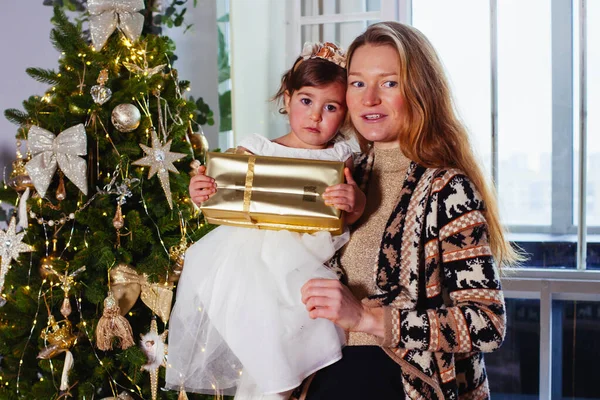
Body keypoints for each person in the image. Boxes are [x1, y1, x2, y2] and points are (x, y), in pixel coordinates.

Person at [295, 22, 521, 399]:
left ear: (419, 91)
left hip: (403, 386)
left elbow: (487, 323)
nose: (369, 99)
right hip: (323, 376)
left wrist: (367, 319)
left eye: (389, 83)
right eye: (357, 82)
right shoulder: (343, 175)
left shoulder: (447, 188)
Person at [166, 42, 366, 400]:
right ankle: (275, 384)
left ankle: (278, 386)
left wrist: (353, 201)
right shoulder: (258, 148)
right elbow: (220, 188)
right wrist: (202, 189)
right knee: (261, 332)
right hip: (251, 251)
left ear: (345, 114)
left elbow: (351, 210)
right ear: (287, 99)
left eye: (330, 107)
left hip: (307, 255)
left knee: (298, 326)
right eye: (306, 101)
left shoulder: (341, 156)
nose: (316, 116)